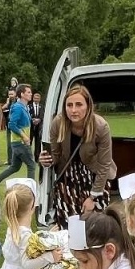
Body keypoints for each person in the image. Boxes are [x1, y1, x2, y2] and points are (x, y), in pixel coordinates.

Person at [39, 83, 116, 227]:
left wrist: (93, 197)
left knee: (94, 225)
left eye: (79, 104)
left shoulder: (100, 126)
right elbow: (56, 156)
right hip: (68, 175)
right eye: (69, 105)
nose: (73, 110)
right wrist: (45, 160)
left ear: (88, 106)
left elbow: (105, 164)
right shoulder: (58, 123)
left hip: (95, 175)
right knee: (68, 224)